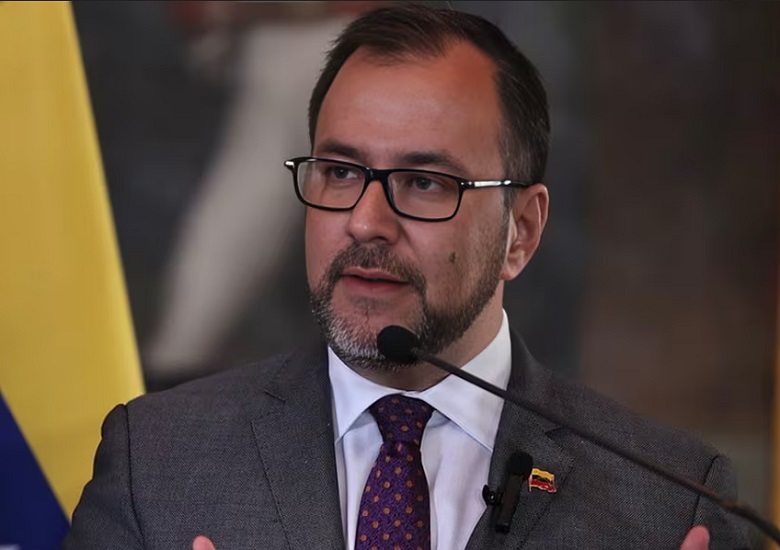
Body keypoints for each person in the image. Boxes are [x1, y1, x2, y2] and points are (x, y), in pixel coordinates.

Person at [65, 4, 749, 549]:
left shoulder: (669, 502)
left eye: (423, 182)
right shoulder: (156, 464)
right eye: (340, 172)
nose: (365, 222)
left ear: (521, 230)